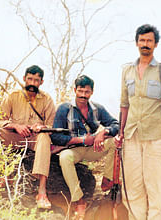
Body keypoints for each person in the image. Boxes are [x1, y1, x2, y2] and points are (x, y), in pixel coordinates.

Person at [116, 24, 161, 220]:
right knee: (132, 188)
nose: (145, 44)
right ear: (137, 42)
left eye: (149, 41)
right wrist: (120, 133)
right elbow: (124, 105)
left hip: (157, 138)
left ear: (155, 44)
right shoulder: (127, 71)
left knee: (155, 189)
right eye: (142, 40)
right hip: (131, 137)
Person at [51, 75, 119, 218]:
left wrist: (103, 132)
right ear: (75, 90)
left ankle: (107, 179)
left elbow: (116, 125)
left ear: (91, 92)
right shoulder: (64, 108)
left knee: (115, 141)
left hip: (93, 147)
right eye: (80, 91)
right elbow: (55, 136)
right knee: (64, 158)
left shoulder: (97, 109)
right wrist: (80, 140)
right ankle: (79, 200)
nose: (83, 95)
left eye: (86, 92)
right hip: (74, 149)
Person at [0, 65, 56, 209]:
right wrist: (15, 126)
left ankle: (42, 192)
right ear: (24, 79)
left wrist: (41, 128)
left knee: (44, 138)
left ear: (41, 82)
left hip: (34, 139)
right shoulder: (13, 96)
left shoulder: (47, 99)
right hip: (15, 137)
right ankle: (1, 175)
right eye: (30, 79)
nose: (32, 83)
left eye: (36, 80)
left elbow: (51, 126)